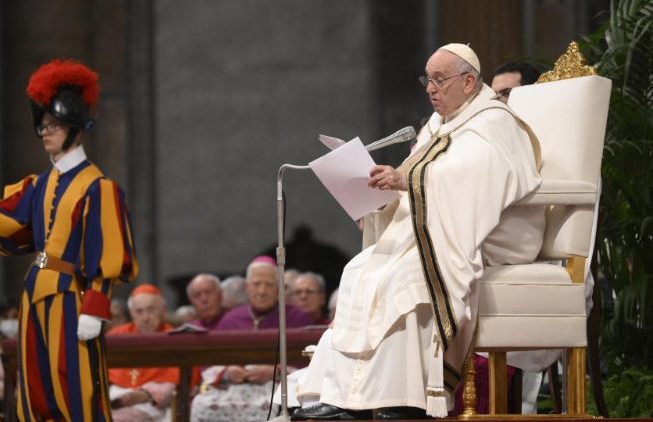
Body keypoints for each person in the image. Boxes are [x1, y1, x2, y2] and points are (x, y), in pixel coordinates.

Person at [292, 43, 543, 420]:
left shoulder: (493, 121)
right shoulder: (438, 124)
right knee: (359, 270)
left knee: (401, 277)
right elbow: (415, 184)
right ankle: (352, 395)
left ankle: (403, 397)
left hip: (493, 232)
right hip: (438, 228)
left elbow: (475, 181)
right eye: (428, 79)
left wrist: (404, 180)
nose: (430, 88)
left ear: (469, 81)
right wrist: (382, 203)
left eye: (439, 79)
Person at [0, 59, 138, 421]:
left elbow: (106, 255)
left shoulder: (99, 188)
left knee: (77, 393)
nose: (45, 132)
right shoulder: (39, 184)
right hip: (36, 295)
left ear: (75, 128)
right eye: (42, 125)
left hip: (71, 299)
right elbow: (7, 220)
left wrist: (95, 307)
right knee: (37, 392)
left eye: (55, 125)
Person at [190, 256, 314, 422]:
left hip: (276, 388)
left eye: (268, 285)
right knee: (201, 405)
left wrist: (275, 372)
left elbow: (309, 365)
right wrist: (228, 372)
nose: (262, 291)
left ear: (278, 288)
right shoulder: (231, 319)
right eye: (256, 284)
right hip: (234, 389)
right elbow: (212, 362)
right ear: (247, 287)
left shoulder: (296, 318)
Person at [107, 284, 178, 422]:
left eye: (151, 310)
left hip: (153, 405)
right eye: (139, 311)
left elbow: (177, 382)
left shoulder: (174, 338)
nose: (145, 318)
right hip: (113, 398)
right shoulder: (116, 336)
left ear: (163, 310)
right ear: (131, 313)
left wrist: (140, 396)